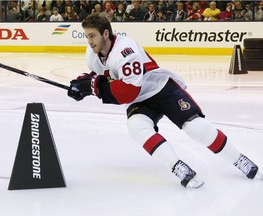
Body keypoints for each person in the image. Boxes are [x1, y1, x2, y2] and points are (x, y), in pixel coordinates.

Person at [67, 13, 263, 189]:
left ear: (106, 34)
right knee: (136, 126)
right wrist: (82, 85)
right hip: (141, 101)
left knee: (195, 128)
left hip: (161, 89)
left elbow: (128, 91)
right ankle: (178, 167)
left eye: (92, 35)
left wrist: (95, 87)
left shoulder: (126, 51)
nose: (89, 40)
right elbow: (100, 76)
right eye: (87, 36)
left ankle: (239, 159)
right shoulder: (91, 54)